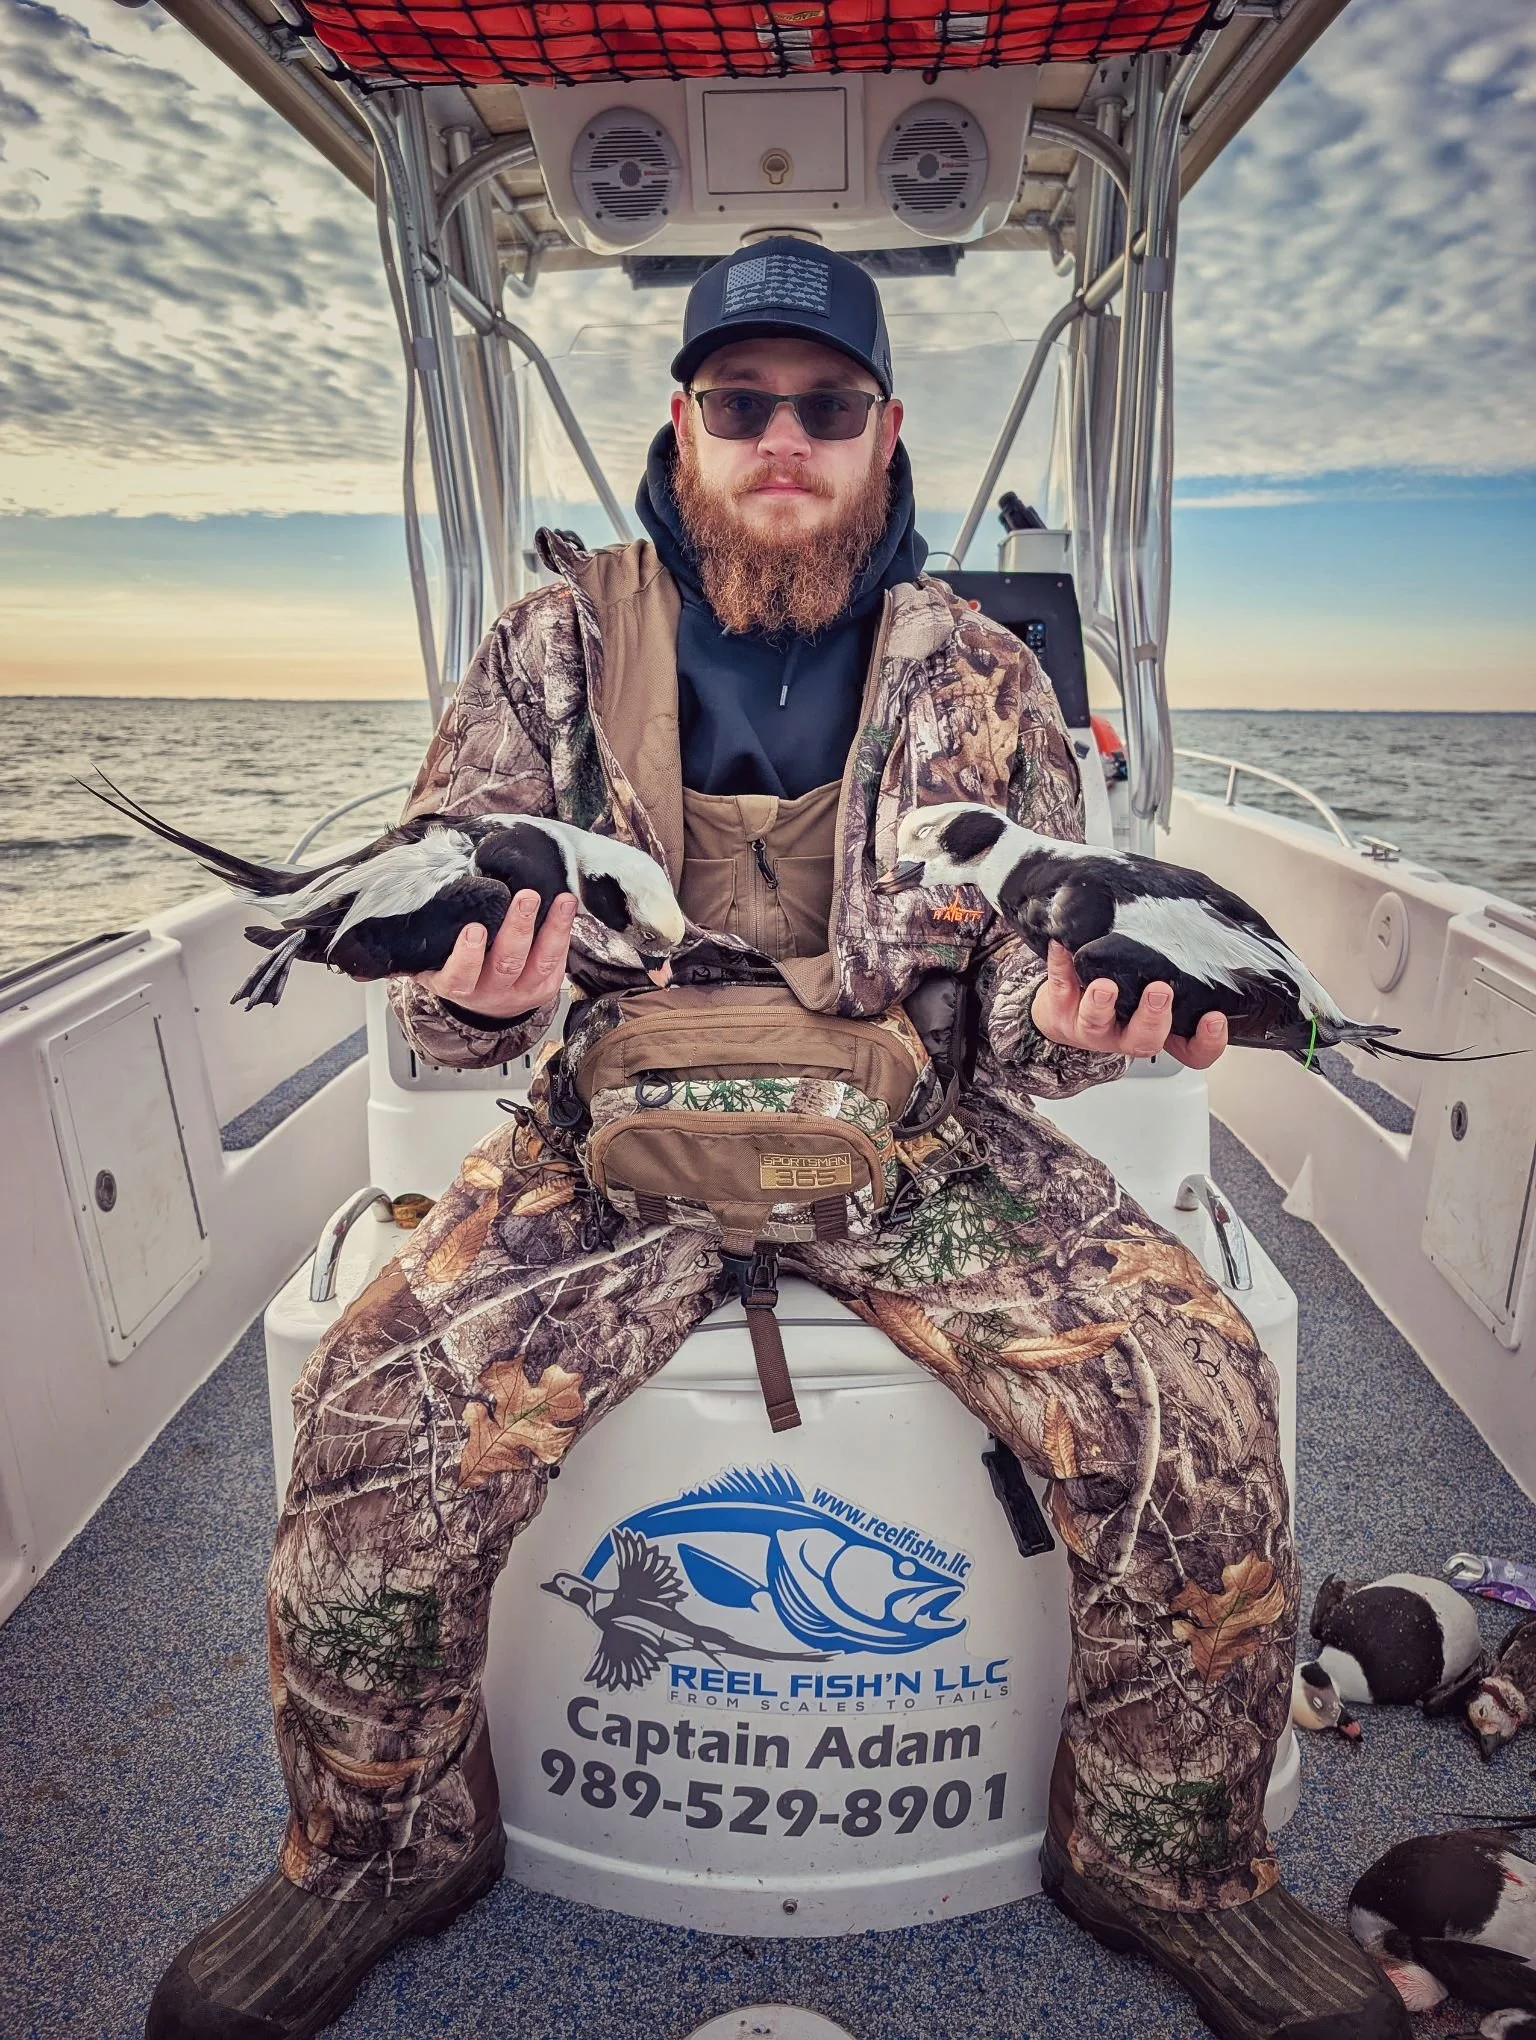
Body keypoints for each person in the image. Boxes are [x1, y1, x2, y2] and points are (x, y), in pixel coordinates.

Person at [147, 239, 1407, 2040]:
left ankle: (1165, 1854)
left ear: (888, 432)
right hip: (614, 1134)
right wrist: (495, 1005)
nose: (784, 439)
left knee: (1190, 1391)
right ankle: (379, 1846)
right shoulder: (551, 642)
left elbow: (1019, 1039)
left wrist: (1071, 1034)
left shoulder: (988, 674)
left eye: (827, 406)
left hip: (919, 1141)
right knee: (373, 1402)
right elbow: (438, 994)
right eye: (744, 403)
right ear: (683, 426)